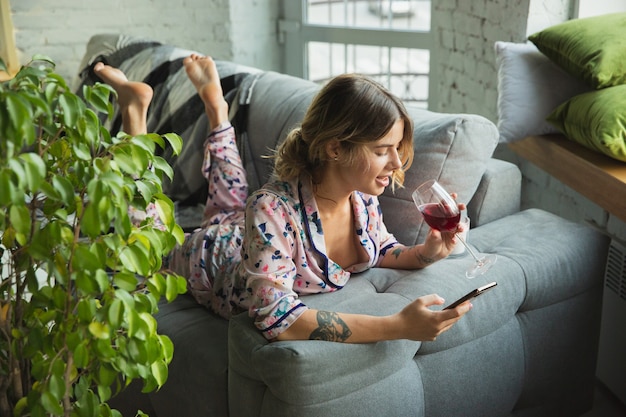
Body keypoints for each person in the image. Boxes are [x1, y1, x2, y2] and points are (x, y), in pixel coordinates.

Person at [93, 55, 472, 344]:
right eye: (382, 150)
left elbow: (382, 247)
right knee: (146, 239)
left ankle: (216, 108)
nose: (396, 163)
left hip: (248, 237)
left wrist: (427, 253)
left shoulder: (363, 198)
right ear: (335, 148)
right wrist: (397, 327)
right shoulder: (272, 208)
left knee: (229, 207)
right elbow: (277, 318)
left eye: (396, 149)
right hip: (212, 257)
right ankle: (134, 113)